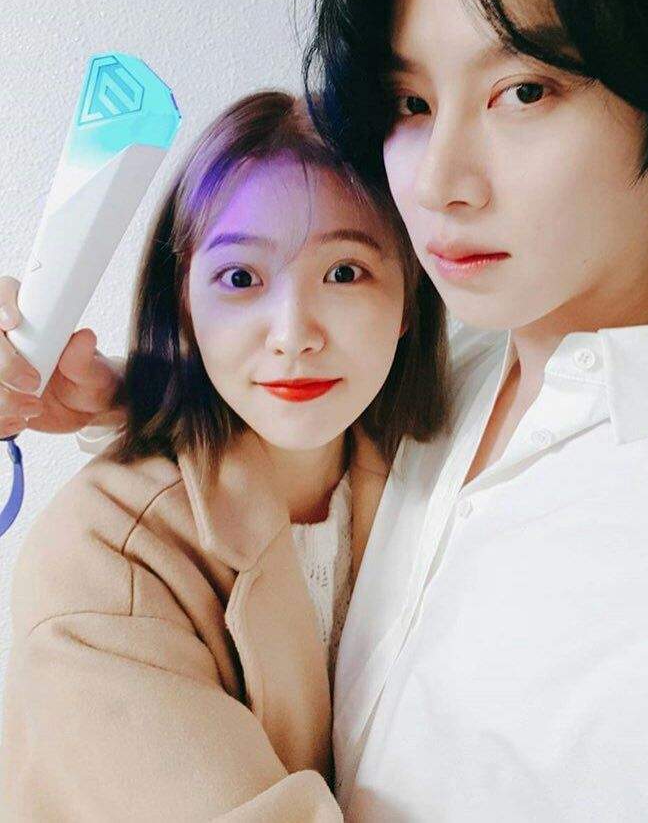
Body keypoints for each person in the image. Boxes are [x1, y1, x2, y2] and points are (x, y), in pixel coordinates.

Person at [2, 0, 648, 819]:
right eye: (410, 104)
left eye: (525, 91)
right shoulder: (451, 373)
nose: (437, 183)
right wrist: (123, 387)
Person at [0, 90, 449, 820]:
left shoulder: (442, 448)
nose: (294, 335)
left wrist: (130, 387)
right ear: (183, 302)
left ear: (409, 299)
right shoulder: (108, 558)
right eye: (241, 278)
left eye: (344, 272)